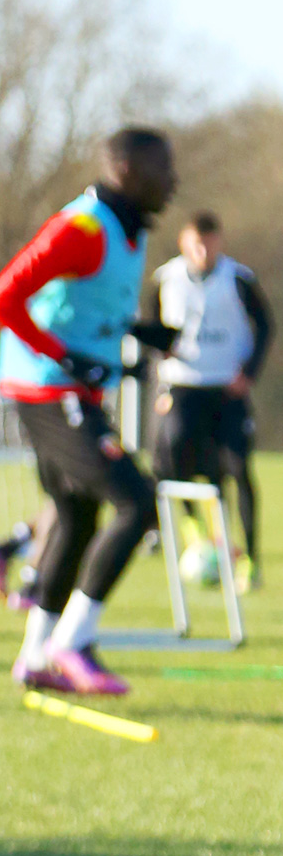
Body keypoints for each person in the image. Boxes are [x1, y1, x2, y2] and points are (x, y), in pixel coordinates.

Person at [0, 130, 177, 696]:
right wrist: (67, 358)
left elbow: (82, 305)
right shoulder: (83, 228)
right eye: (164, 167)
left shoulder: (125, 230)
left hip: (68, 390)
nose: (174, 180)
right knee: (136, 502)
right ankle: (70, 643)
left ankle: (35, 658)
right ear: (126, 170)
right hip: (47, 389)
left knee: (75, 516)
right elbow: (2, 298)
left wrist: (141, 333)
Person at [148, 211, 272, 590]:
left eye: (209, 242)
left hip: (226, 388)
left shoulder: (237, 279)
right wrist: (160, 358)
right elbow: (149, 326)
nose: (202, 250)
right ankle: (194, 531)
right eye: (195, 243)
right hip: (184, 386)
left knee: (237, 468)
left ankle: (249, 559)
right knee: (171, 452)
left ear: (219, 241)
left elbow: (266, 324)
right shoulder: (165, 279)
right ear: (184, 242)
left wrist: (248, 371)